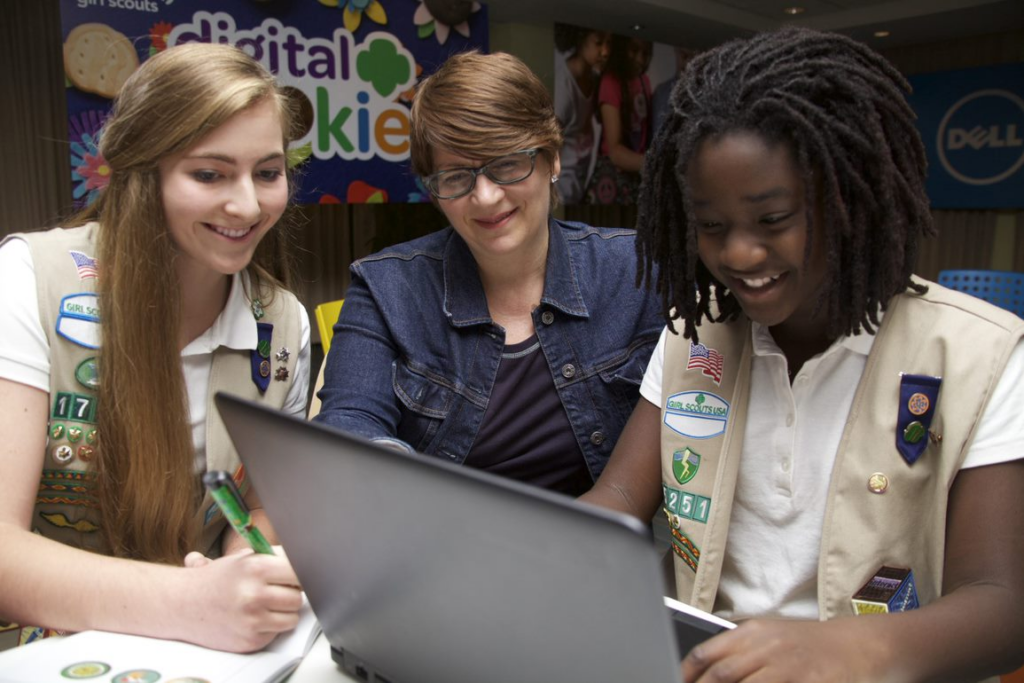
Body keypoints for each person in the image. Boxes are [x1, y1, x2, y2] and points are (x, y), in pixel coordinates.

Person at [582, 27, 1024, 682]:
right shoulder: (693, 334)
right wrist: (520, 549)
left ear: (849, 199)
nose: (738, 254)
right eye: (712, 225)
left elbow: (1003, 603)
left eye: (771, 219)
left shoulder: (981, 356)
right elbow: (618, 495)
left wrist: (845, 648)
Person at [0, 42, 311, 653]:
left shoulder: (283, 325)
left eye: (268, 173)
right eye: (209, 173)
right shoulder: (27, 281)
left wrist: (250, 565)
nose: (248, 204)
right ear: (143, 174)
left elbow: (258, 505)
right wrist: (194, 602)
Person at [313, 51, 663, 497]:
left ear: (552, 160)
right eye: (457, 176)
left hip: (592, 544)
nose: (485, 196)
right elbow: (349, 423)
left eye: (507, 163)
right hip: (438, 541)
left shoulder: (636, 271)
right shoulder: (387, 289)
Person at [585, 34, 652, 205]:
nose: (640, 59)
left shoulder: (644, 81)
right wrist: (652, 163)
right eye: (634, 50)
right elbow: (615, 151)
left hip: (637, 175)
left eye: (645, 53)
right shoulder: (611, 82)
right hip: (615, 178)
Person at [553, 23, 611, 205]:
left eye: (609, 44)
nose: (605, 51)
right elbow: (550, 140)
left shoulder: (594, 78)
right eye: (599, 43)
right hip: (562, 186)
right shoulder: (564, 86)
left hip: (582, 179)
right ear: (580, 40)